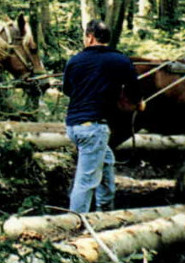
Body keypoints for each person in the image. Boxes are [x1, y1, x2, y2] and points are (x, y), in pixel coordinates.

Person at [62, 19, 144, 213]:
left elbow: (67, 90)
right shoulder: (120, 60)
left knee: (106, 162)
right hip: (94, 128)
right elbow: (134, 92)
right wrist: (139, 103)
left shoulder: (74, 60)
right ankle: (75, 223)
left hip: (74, 126)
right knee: (86, 181)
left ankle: (106, 211)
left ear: (90, 37)